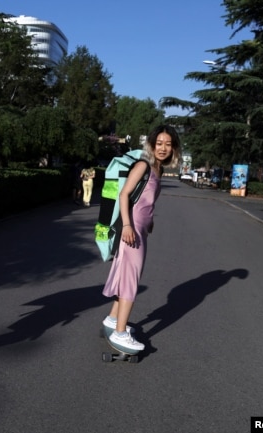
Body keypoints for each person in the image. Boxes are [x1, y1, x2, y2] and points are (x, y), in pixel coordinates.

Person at [101, 125, 181, 352]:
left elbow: (147, 199)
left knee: (124, 274)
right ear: (152, 144)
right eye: (159, 143)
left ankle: (113, 319)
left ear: (173, 148)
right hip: (131, 230)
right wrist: (127, 225)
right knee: (131, 279)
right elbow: (125, 194)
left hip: (141, 229)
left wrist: (150, 220)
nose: (163, 148)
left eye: (168, 144)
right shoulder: (143, 165)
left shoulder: (158, 169)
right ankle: (120, 333)